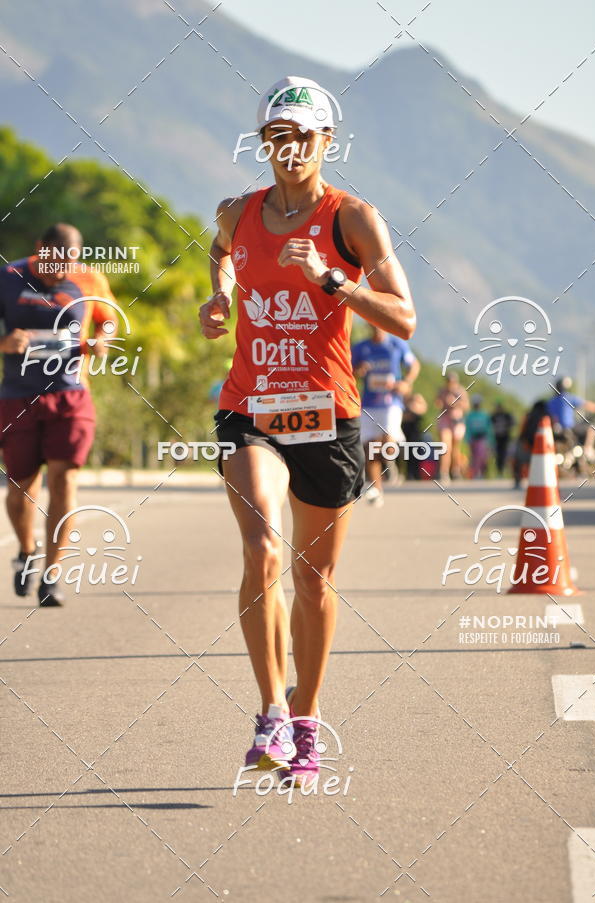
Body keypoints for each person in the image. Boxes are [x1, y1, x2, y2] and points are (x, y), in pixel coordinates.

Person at [198, 76, 415, 784]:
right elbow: (220, 250)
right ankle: (268, 711)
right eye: (276, 136)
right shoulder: (238, 212)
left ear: (327, 141)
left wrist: (333, 281)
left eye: (304, 136)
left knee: (312, 579)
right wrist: (220, 297)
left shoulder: (352, 218)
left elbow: (404, 318)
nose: (289, 149)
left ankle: (305, 717)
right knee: (262, 548)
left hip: (328, 415)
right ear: (263, 142)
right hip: (250, 408)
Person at [0, 223, 118, 606]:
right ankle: (26, 550)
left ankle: (52, 576)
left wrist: (104, 339)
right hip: (18, 397)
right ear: (40, 249)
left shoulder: (88, 278)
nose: (61, 271)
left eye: (69, 262)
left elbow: (109, 317)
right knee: (22, 489)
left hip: (70, 395)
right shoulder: (8, 277)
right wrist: (5, 341)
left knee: (65, 481)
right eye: (54, 263)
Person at [351, 325, 420, 506]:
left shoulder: (397, 345)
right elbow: (348, 371)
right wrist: (358, 371)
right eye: (373, 325)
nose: (378, 329)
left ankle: (389, 461)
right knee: (370, 448)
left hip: (391, 403)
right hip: (369, 404)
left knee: (387, 442)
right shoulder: (361, 348)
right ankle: (377, 489)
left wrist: (406, 382)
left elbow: (414, 365)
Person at [547, 377, 595, 459]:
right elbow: (588, 405)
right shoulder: (568, 397)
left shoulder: (550, 401)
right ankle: (587, 451)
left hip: (556, 431)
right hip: (570, 428)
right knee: (592, 428)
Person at [435, 371, 470, 482]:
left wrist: (454, 403)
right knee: (445, 446)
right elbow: (437, 403)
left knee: (455, 448)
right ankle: (443, 471)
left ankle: (455, 470)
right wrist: (441, 402)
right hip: (445, 419)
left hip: (457, 421)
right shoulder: (442, 391)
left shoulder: (460, 391)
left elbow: (466, 406)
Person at [513, 399, 548, 489]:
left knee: (519, 461)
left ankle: (518, 481)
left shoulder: (528, 415)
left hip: (526, 444)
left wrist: (522, 441)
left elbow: (522, 429)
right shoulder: (546, 417)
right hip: (542, 447)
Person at [465, 395, 494, 479]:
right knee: (474, 457)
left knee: (481, 456)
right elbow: (467, 428)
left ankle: (480, 472)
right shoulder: (470, 416)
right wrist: (468, 438)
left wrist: (490, 440)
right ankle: (475, 473)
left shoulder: (484, 415)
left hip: (482, 438)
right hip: (473, 438)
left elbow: (489, 428)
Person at [490, 400, 514, 475]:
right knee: (497, 455)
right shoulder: (494, 416)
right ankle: (499, 470)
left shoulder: (507, 415)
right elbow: (489, 424)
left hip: (505, 438)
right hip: (496, 438)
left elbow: (512, 423)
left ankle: (505, 470)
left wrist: (507, 429)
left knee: (505, 454)